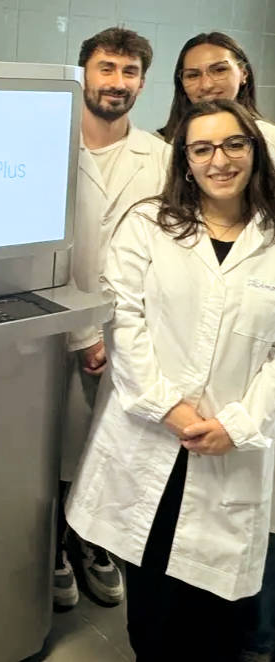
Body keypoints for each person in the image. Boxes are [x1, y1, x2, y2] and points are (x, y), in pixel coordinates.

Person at [67, 98, 275, 660]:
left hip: (235, 446)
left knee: (220, 621)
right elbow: (123, 321)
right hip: (154, 436)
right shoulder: (148, 225)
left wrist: (239, 423)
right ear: (184, 160)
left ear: (255, 150)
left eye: (234, 144)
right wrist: (172, 410)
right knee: (155, 613)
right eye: (202, 148)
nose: (220, 160)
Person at [57, 26, 170, 610]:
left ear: (143, 83)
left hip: (125, 332)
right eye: (106, 69)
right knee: (45, 444)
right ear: (84, 74)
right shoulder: (45, 143)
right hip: (47, 327)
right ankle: (52, 547)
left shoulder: (162, 158)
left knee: (108, 447)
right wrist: (78, 333)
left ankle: (94, 545)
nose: (117, 83)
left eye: (129, 73)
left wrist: (110, 335)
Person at [159, 32, 275, 148]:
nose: (206, 85)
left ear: (243, 74)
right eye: (193, 75)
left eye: (219, 70)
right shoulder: (160, 145)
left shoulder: (268, 139)